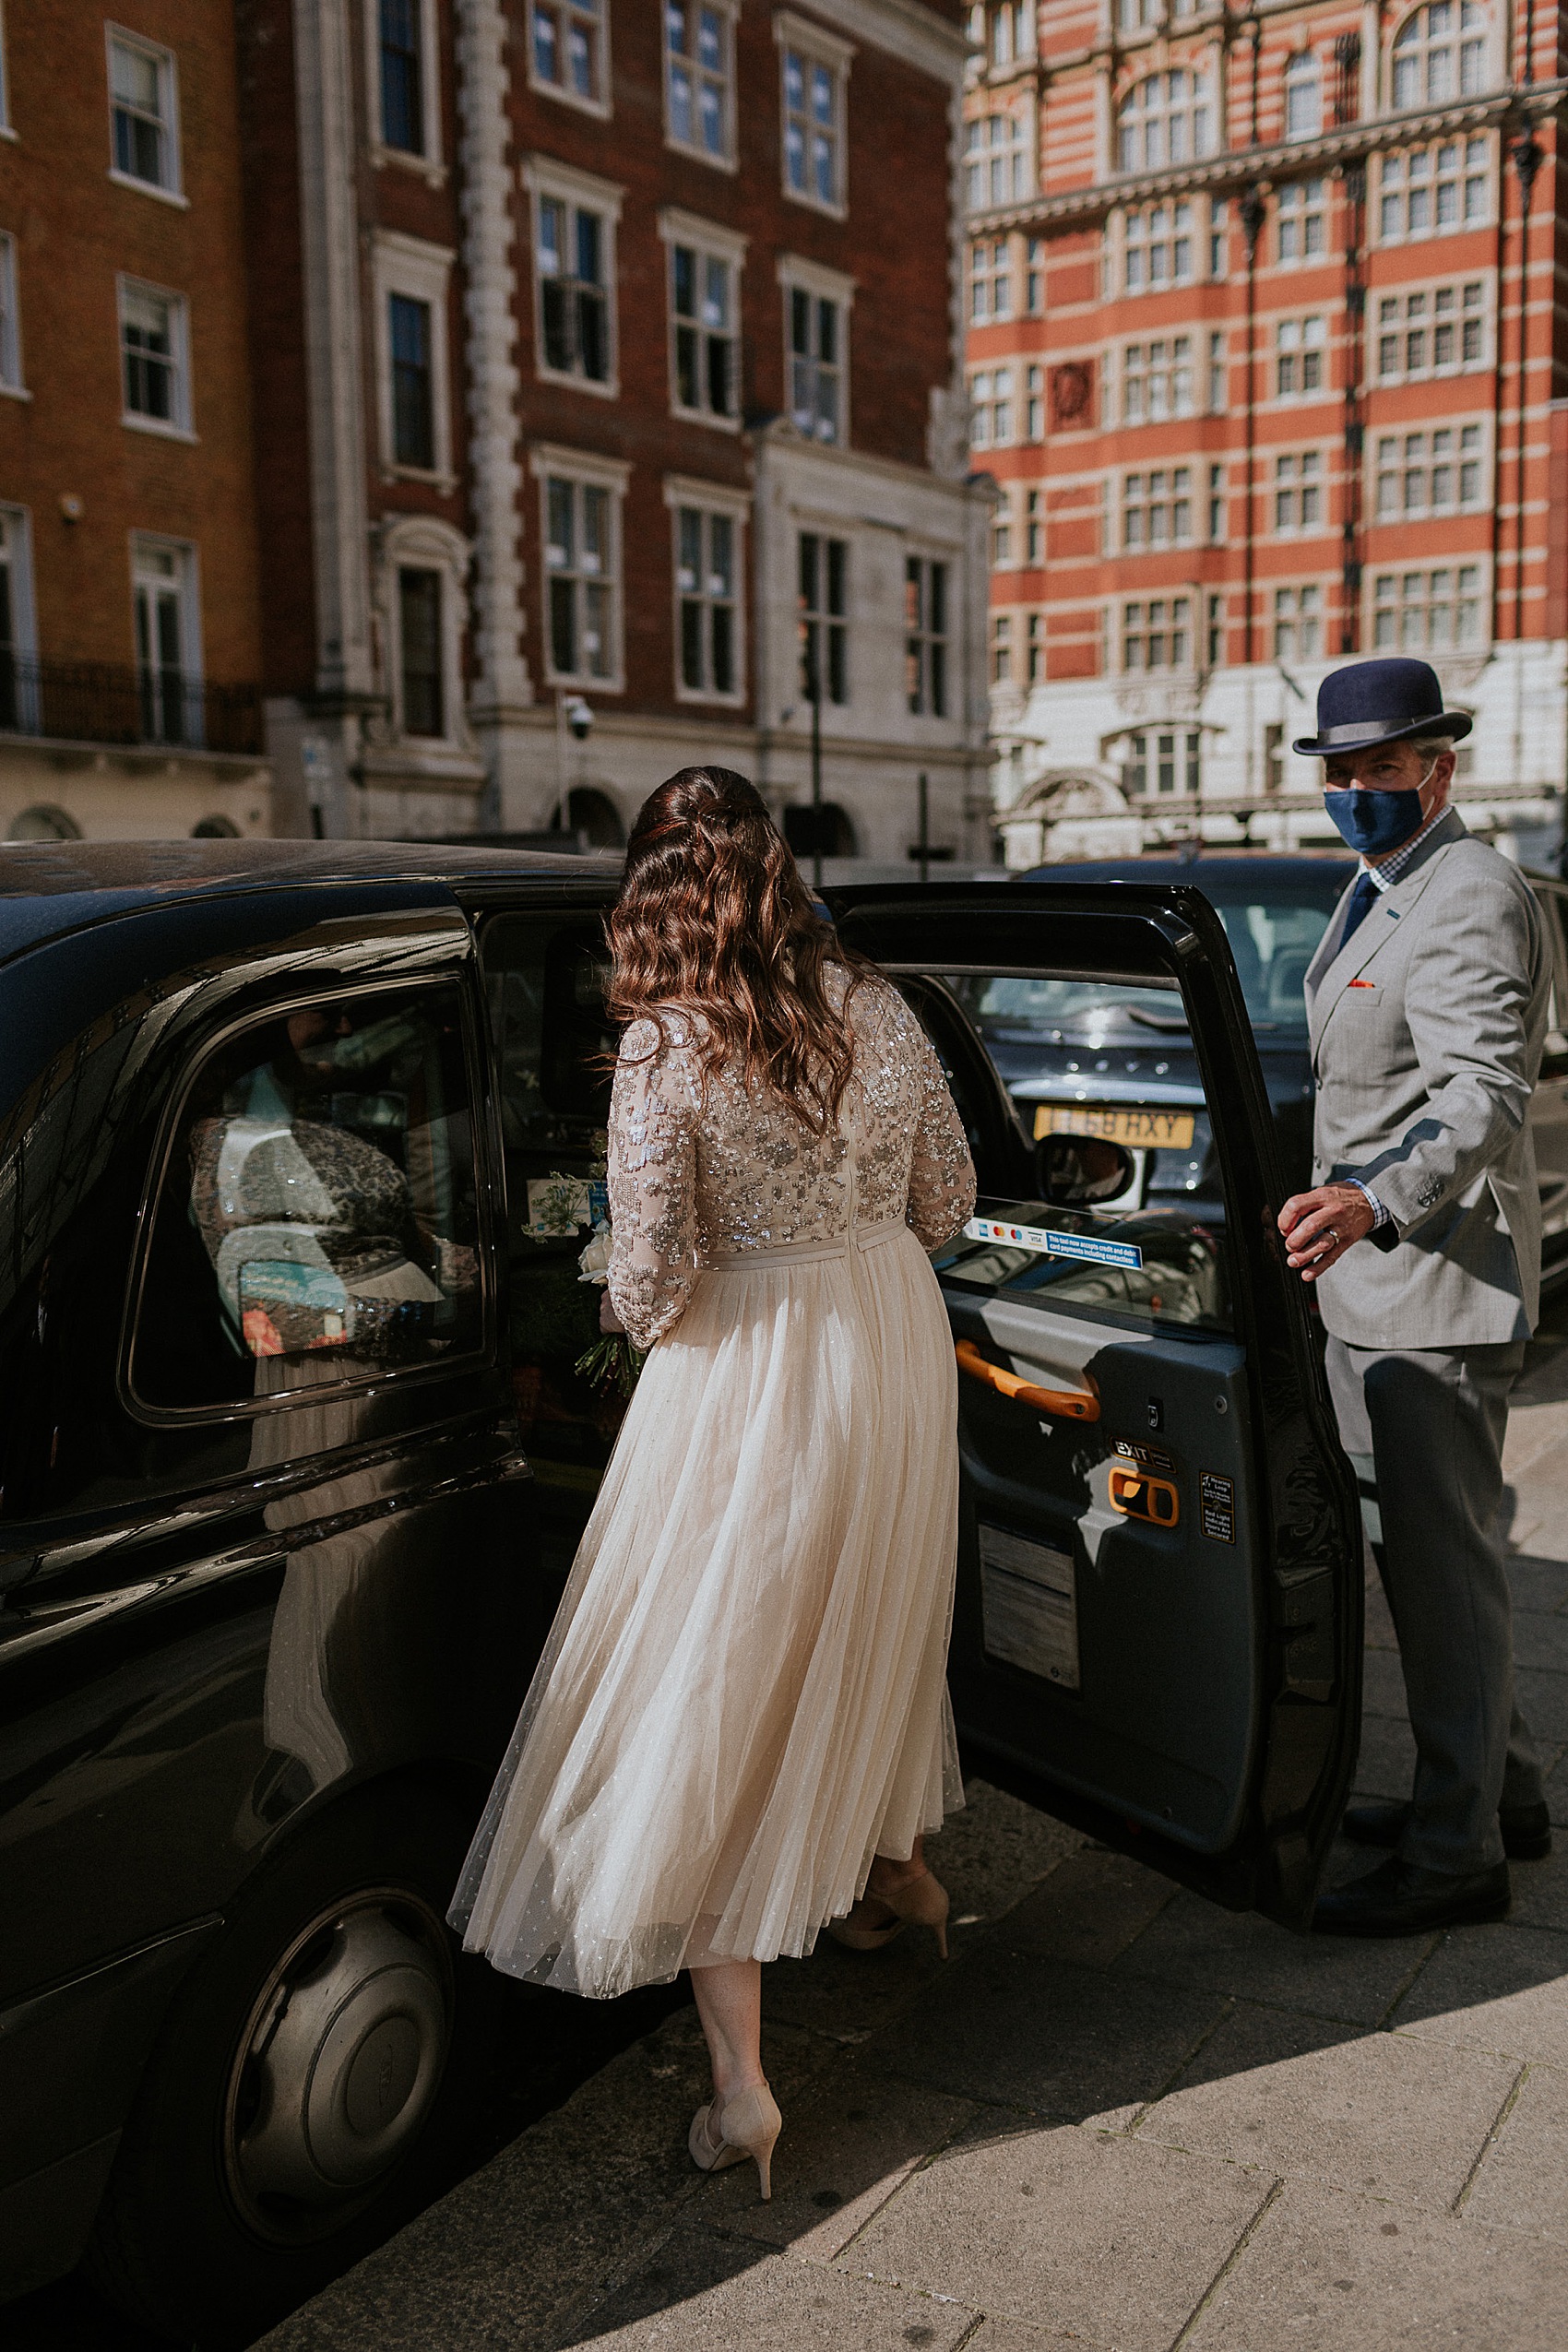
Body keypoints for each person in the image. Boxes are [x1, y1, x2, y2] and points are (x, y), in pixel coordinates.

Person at [450, 766, 977, 2193]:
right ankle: (902, 1878)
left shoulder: (665, 1048)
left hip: (749, 1367)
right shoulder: (877, 1001)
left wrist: (620, 1298)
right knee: (867, 1618)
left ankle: (743, 2085)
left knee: (713, 1673)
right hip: (889, 1335)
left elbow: (655, 1279)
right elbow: (952, 1203)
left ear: (653, 889)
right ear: (782, 866)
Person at [1277, 657, 1552, 1938]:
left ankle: (1457, 1854)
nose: (1359, 790)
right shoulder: (1383, 883)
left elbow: (1481, 1093)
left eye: (1384, 767)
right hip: (1383, 1291)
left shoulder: (1470, 888)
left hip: (1426, 1289)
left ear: (1441, 768)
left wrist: (1373, 1198)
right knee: (1449, 1567)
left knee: (1441, 1578)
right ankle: (1499, 1794)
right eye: (1343, 771)